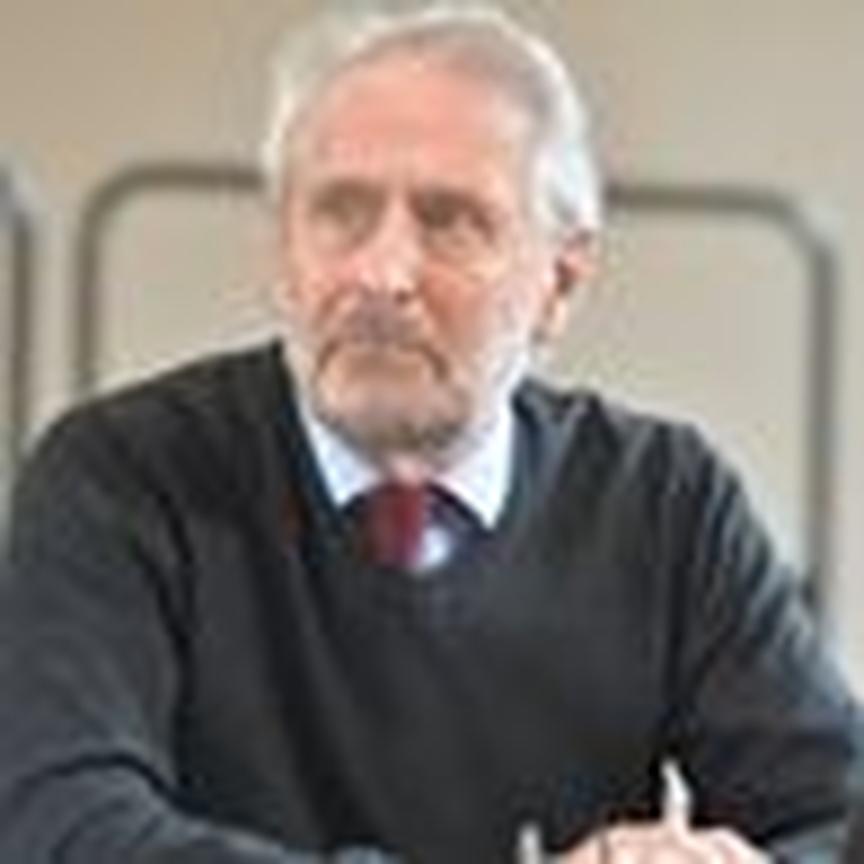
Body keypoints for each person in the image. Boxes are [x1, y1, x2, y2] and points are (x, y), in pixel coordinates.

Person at [0, 6, 861, 863]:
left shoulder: (664, 501)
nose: (382, 274)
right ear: (281, 254)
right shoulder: (123, 477)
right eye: (340, 211)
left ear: (560, 283)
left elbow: (835, 814)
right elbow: (60, 826)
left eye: (449, 220)